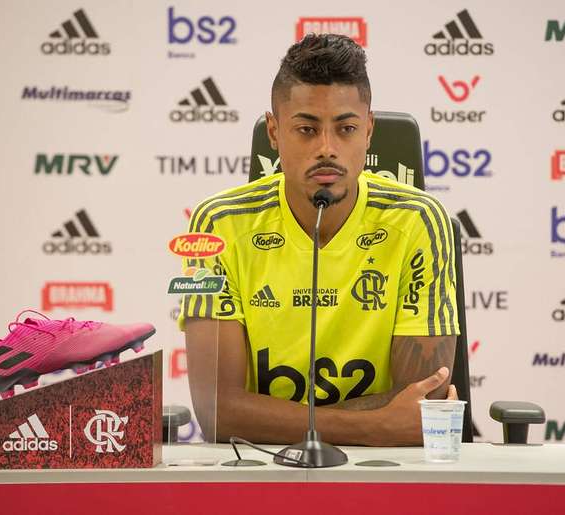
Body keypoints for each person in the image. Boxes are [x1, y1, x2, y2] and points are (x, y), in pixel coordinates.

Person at [179, 34, 459, 446]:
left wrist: (267, 418)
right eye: (307, 129)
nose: (327, 149)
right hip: (262, 473)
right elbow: (218, 413)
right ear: (274, 132)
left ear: (368, 131)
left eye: (345, 128)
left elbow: (424, 401)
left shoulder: (419, 221)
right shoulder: (216, 226)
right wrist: (376, 424)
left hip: (379, 474)